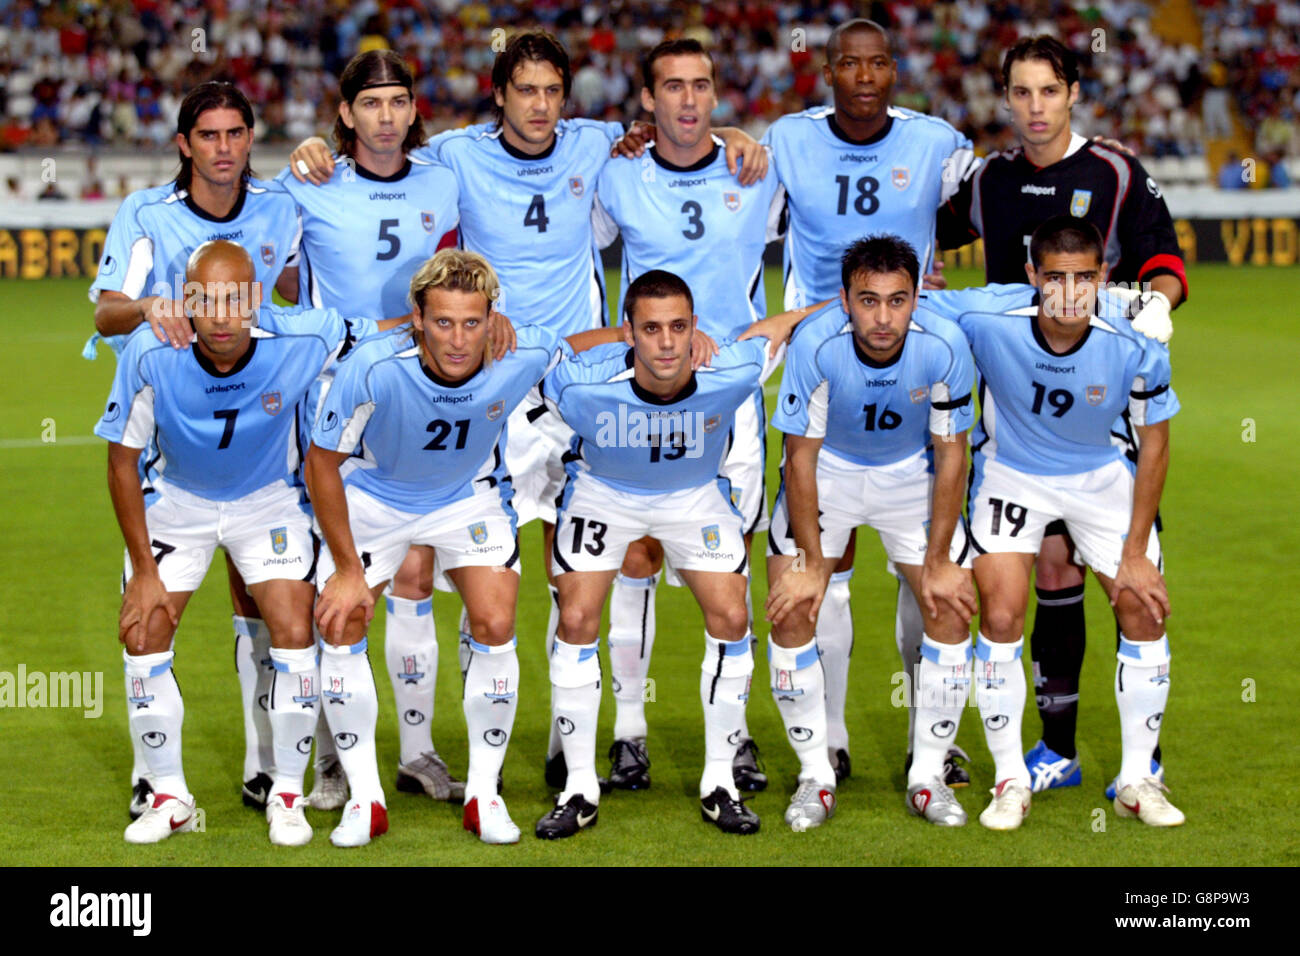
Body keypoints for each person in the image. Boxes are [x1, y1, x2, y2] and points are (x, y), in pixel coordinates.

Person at [287, 31, 767, 794]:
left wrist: (732, 134)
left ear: (566, 99)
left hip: (576, 384)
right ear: (498, 96)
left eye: (552, 92)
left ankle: (563, 744)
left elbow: (681, 131)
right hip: (478, 383)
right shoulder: (452, 157)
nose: (540, 106)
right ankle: (405, 752)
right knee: (426, 567)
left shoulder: (599, 146)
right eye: (525, 91)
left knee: (569, 568)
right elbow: (378, 156)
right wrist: (320, 145)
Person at [304, 249, 633, 846]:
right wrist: (349, 568)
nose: (459, 340)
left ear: (492, 318)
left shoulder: (519, 350)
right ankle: (366, 799)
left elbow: (578, 348)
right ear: (417, 318)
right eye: (444, 322)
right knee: (342, 619)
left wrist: (637, 333)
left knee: (494, 620)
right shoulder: (372, 367)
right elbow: (320, 465)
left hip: (467, 499)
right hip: (377, 499)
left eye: (473, 321)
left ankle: (483, 794)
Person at [937, 35, 1187, 796]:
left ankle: (1138, 764)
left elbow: (1164, 259)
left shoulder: (1112, 170)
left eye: (1049, 91)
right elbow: (930, 236)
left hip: (1098, 405)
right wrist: (931, 268)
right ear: (1006, 99)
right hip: (1014, 405)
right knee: (1044, 571)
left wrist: (1156, 307)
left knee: (1123, 581)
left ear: (1073, 92)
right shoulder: (992, 180)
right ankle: (1057, 750)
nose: (1035, 108)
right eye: (1021, 93)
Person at [94, 240, 378, 846]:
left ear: (256, 298)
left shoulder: (302, 337)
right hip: (177, 505)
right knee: (144, 631)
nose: (222, 316)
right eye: (206, 299)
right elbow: (121, 463)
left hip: (267, 503)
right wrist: (144, 571)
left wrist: (481, 319)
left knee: (295, 633)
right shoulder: (150, 350)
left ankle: (287, 792)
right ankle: (168, 794)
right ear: (186, 300)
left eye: (236, 298)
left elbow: (383, 331)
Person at [760, 19, 978, 786]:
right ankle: (832, 736)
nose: (863, 75)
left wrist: (935, 273)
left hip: (907, 355)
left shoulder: (938, 141)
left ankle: (934, 739)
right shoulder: (786, 139)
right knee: (829, 567)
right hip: (820, 363)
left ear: (895, 69)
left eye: (878, 62)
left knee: (928, 566)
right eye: (848, 63)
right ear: (826, 70)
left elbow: (973, 207)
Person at [87, 81, 302, 821]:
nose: (222, 148)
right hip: (173, 440)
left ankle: (265, 767)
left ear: (250, 138)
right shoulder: (147, 213)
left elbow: (299, 303)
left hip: (262, 435)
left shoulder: (281, 207)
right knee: (148, 617)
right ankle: (160, 782)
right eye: (207, 135)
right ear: (184, 143)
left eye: (234, 133)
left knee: (262, 606)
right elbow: (107, 311)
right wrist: (150, 306)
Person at [538, 270, 806, 839]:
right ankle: (579, 786)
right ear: (630, 333)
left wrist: (856, 302)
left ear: (695, 330)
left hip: (693, 497)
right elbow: (546, 351)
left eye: (678, 327)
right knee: (576, 616)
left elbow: (782, 325)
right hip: (604, 494)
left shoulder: (729, 370)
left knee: (733, 616)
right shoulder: (581, 383)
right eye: (651, 328)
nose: (666, 342)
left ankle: (719, 782)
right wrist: (612, 335)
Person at [589, 37, 785, 793]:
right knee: (634, 562)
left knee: (727, 578)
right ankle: (630, 733)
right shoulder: (616, 175)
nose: (689, 100)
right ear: (647, 98)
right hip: (640, 395)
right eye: (672, 86)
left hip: (729, 399)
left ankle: (731, 741)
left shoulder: (755, 170)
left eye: (701, 85)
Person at [275, 49, 465, 812]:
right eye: (371, 103)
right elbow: (280, 282)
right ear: (346, 113)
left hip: (415, 398)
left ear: (414, 110)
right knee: (335, 581)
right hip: (332, 406)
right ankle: (330, 757)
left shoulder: (442, 179)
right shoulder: (309, 183)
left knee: (415, 576)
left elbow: (454, 274)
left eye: (399, 101)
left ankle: (417, 752)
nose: (387, 116)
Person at [766, 235, 977, 828]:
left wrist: (938, 559)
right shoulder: (816, 344)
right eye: (867, 301)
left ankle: (929, 775)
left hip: (911, 473)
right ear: (844, 300)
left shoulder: (944, 345)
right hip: (829, 471)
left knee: (951, 603)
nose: (883, 318)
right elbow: (798, 459)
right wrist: (810, 563)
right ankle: (815, 774)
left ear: (916, 299)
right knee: (789, 610)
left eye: (897, 301)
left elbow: (951, 453)